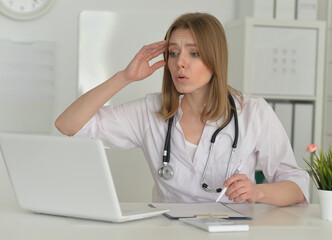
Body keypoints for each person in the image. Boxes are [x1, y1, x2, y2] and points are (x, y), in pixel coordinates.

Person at [55, 12, 309, 206]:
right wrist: (125, 76)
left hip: (231, 231)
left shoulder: (253, 112)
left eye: (194, 54)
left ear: (215, 59)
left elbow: (297, 185)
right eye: (173, 53)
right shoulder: (150, 111)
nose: (180, 63)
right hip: (169, 232)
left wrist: (257, 191)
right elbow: (68, 125)